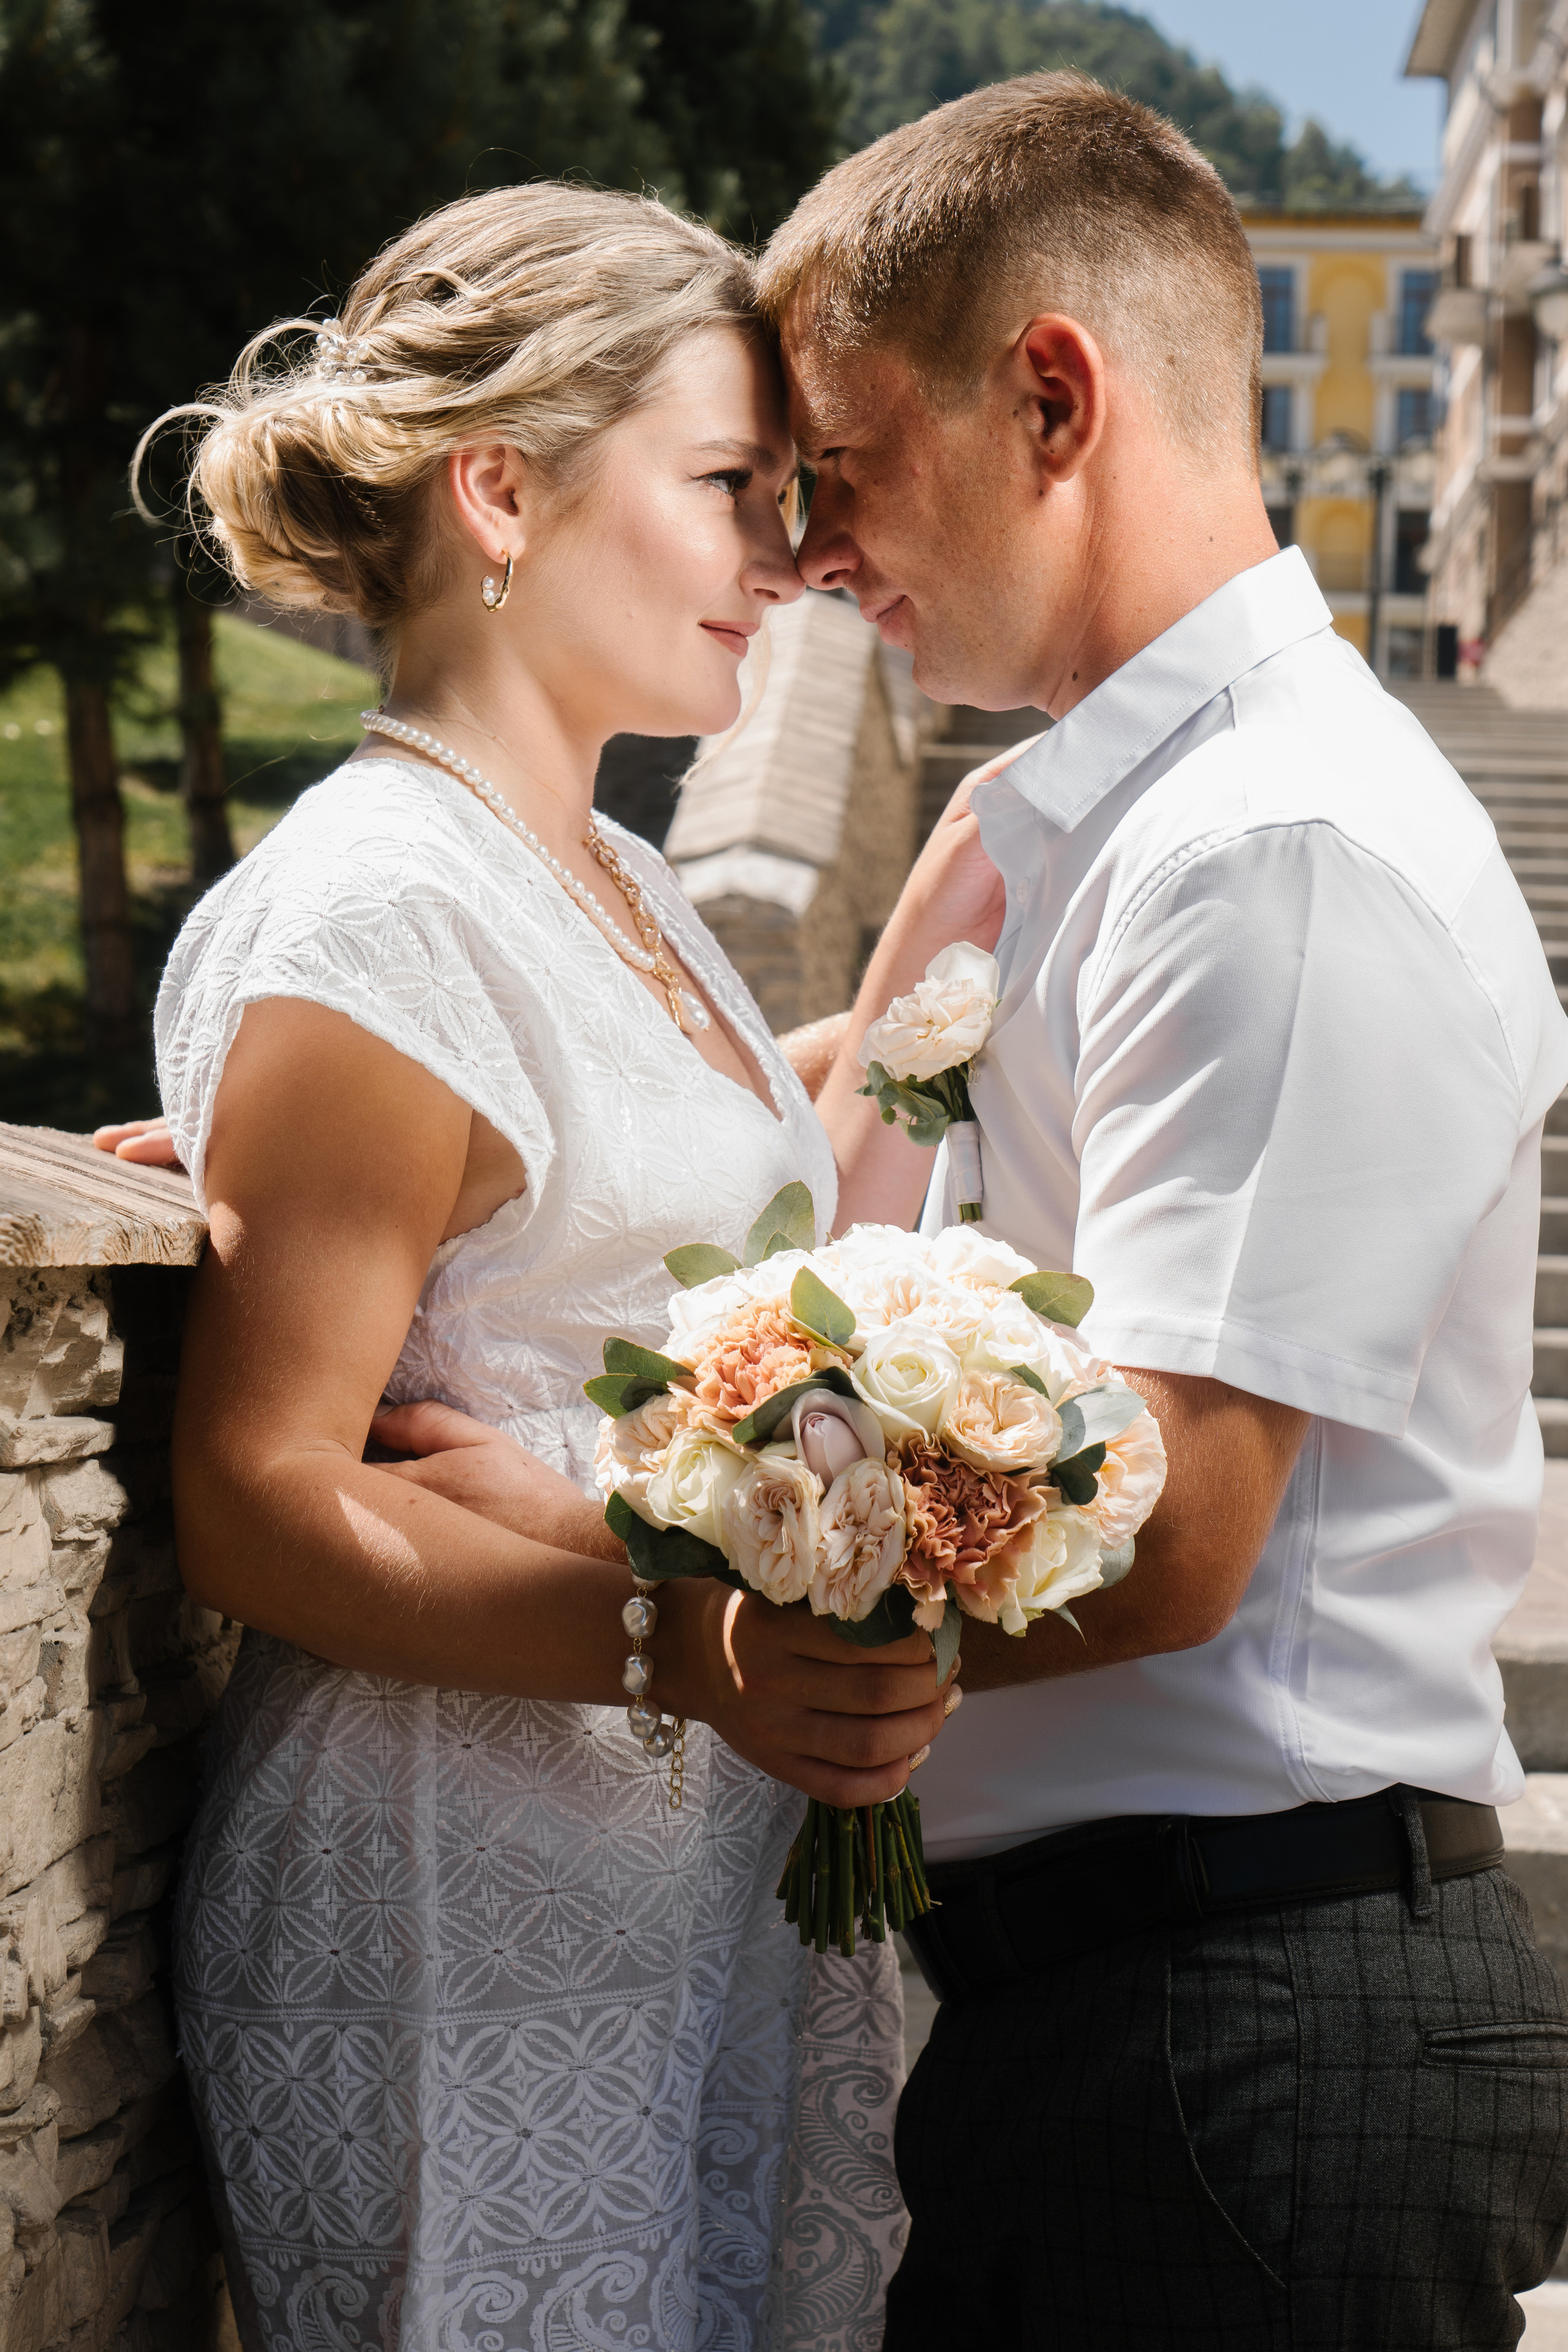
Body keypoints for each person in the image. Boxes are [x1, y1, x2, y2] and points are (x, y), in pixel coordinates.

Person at [748, 69, 1568, 2351]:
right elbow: (814, 1116)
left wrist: (680, 1643)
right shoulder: (1106, 823)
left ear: (1049, 393)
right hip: (1147, 2012)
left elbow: (1180, 1525)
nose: (807, 552)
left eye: (844, 462)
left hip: (1251, 2027)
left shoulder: (1269, 848)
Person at [122, 184, 959, 2352]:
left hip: (689, 1885)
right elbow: (257, 1492)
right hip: (451, 1908)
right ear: (501, 493)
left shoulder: (626, 882)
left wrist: (948, 969)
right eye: (728, 491)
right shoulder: (379, 915)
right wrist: (681, 1649)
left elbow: (638, 1172)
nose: (783, 563)